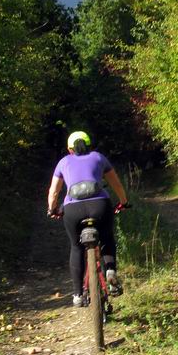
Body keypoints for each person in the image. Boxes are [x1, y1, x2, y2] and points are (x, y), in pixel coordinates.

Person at [47, 131, 129, 307]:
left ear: (70, 149)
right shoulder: (99, 158)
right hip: (100, 206)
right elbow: (116, 184)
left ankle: (77, 294)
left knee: (76, 247)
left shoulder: (63, 162)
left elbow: (54, 192)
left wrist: (52, 209)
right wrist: (123, 202)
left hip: (73, 210)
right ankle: (110, 272)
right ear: (90, 145)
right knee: (107, 238)